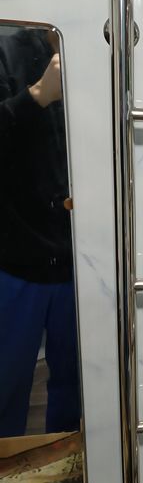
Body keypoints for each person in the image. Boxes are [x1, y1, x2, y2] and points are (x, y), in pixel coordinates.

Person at [0, 27, 80, 437]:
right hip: (15, 260)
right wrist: (37, 96)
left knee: (81, 388)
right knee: (6, 388)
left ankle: (70, 467)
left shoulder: (102, 48)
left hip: (84, 259)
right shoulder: (6, 51)